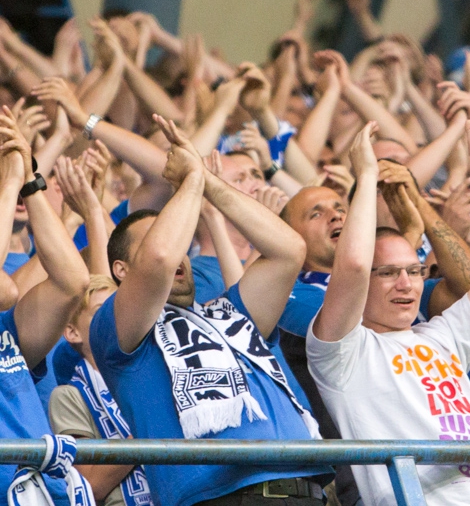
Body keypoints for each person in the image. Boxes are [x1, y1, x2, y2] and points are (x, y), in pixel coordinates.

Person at [89, 115, 332, 506]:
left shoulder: (232, 310)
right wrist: (191, 183)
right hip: (218, 498)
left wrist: (207, 179)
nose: (179, 250)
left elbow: (290, 252)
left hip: (307, 490)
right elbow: (159, 258)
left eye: (186, 240)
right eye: (167, 233)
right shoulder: (117, 328)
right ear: (121, 270)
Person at [307, 92, 470, 505]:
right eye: (389, 274)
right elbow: (354, 265)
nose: (407, 285)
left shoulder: (444, 336)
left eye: (413, 271)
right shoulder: (341, 353)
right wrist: (368, 177)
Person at [0, 106, 90, 503]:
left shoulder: (7, 334)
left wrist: (31, 185)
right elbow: (7, 290)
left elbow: (73, 282)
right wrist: (11, 180)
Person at [50, 275, 153, 506]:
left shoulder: (151, 376)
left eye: (117, 305)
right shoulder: (68, 396)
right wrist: (149, 429)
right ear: (72, 332)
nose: (112, 315)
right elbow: (91, 485)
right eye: (101, 309)